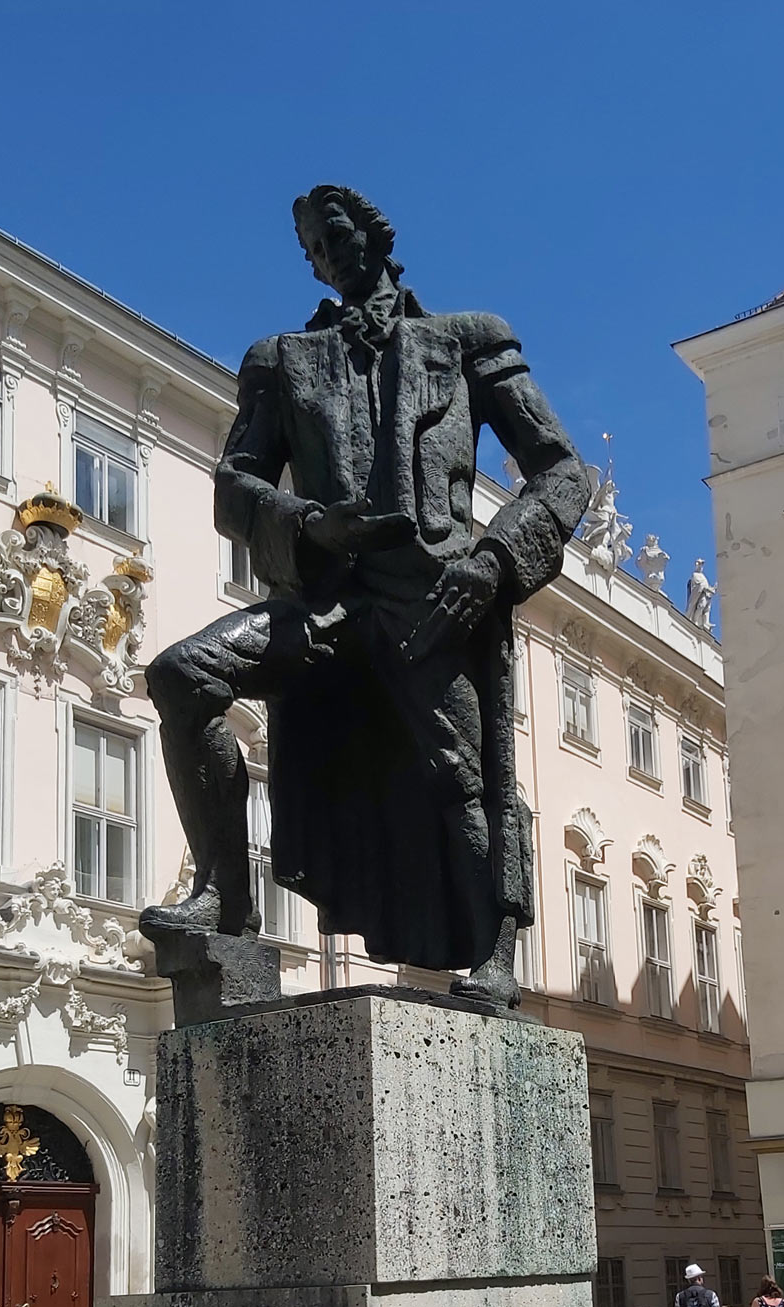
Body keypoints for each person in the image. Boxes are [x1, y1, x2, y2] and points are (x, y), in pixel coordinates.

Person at [139, 184, 590, 1009]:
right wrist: (308, 522)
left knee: (464, 779)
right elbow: (233, 487)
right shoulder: (281, 359)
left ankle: (497, 950)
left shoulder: (467, 341)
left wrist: (492, 561)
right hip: (327, 601)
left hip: (437, 596)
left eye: (335, 232)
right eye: (311, 245)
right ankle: (225, 896)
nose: (327, 251)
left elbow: (561, 472)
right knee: (180, 675)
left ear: (375, 234)